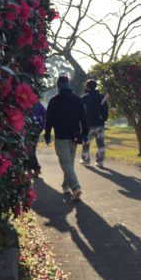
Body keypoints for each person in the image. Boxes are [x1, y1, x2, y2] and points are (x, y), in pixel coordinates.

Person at [44, 73, 89, 201]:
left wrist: (47, 135)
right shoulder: (77, 99)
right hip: (75, 136)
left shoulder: (54, 100)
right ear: (68, 85)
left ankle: (75, 187)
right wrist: (85, 134)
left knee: (65, 163)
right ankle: (65, 186)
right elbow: (83, 118)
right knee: (68, 163)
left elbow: (49, 120)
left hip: (61, 136)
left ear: (58, 86)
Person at [81, 79, 109, 168]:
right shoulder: (102, 97)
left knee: (86, 143)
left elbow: (81, 111)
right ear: (96, 86)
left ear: (87, 87)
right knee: (100, 144)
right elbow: (106, 110)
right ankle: (100, 161)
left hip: (88, 124)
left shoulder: (84, 98)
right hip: (100, 124)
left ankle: (86, 159)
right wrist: (104, 119)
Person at [28, 101, 46, 177]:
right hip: (29, 129)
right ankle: (30, 168)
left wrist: (42, 126)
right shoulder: (36, 103)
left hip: (34, 130)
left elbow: (45, 114)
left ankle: (35, 168)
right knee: (31, 150)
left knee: (30, 149)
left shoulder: (37, 104)